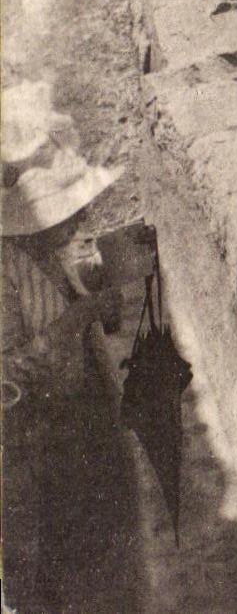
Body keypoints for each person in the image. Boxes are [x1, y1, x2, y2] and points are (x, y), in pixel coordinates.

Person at [2, 81, 122, 611]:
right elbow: (18, 368)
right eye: (70, 212)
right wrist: (88, 312)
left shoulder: (44, 256)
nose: (81, 221)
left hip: (69, 427)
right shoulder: (8, 271)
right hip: (32, 446)